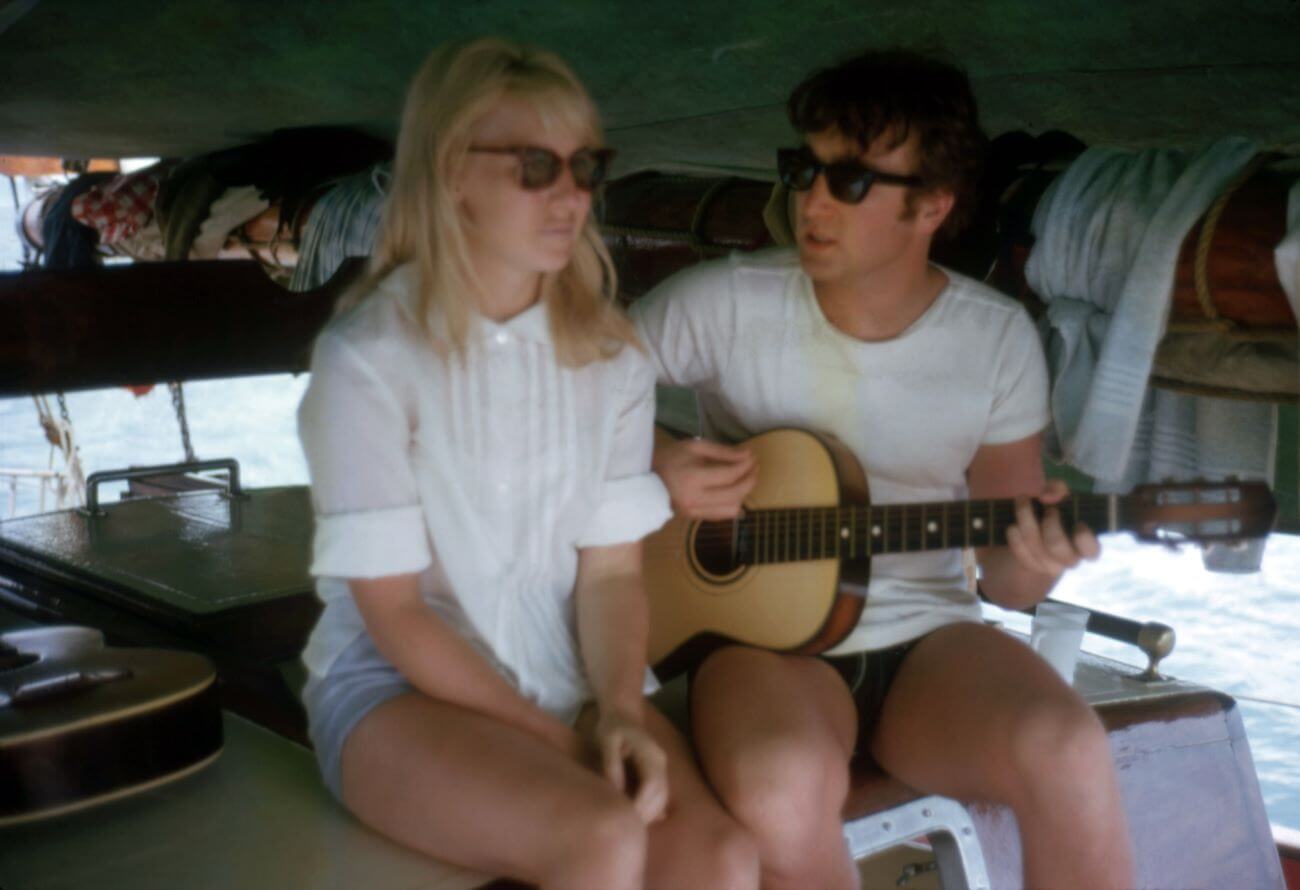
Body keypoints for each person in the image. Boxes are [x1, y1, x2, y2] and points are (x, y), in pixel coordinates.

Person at [630, 49, 1135, 890]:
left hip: (927, 641)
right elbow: (563, 391)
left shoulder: (996, 340)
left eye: (853, 182)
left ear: (932, 206)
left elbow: (1005, 587)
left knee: (1070, 749)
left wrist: (1034, 562)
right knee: (780, 784)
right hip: (759, 644)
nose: (814, 202)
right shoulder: (722, 301)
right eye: (806, 171)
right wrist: (660, 459)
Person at [296, 38, 757, 890]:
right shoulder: (368, 358)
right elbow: (396, 613)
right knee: (600, 834)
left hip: (567, 669)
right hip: (399, 685)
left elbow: (612, 576)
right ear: (451, 174)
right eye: (536, 166)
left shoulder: (612, 358)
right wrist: (571, 745)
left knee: (722, 858)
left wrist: (620, 708)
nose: (571, 196)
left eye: (586, 166)